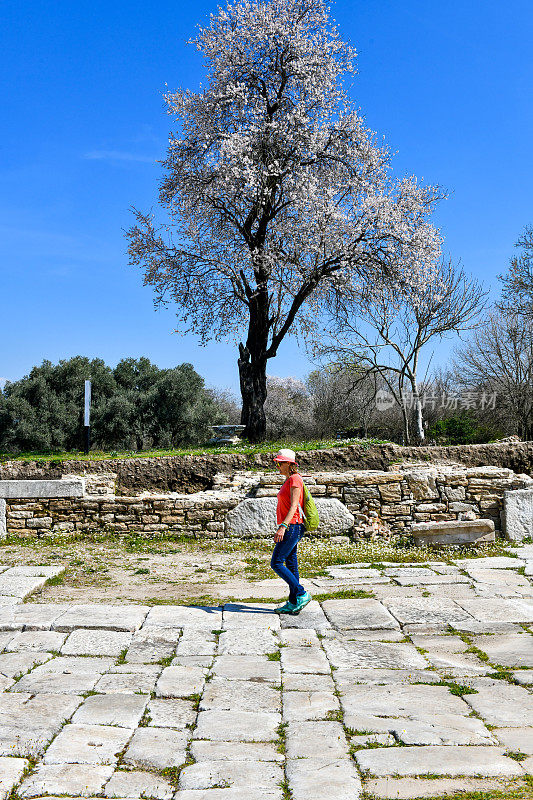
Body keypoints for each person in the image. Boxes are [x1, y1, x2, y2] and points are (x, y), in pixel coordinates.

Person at [270, 448, 312, 615]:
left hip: (292, 526)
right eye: (277, 463)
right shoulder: (289, 479)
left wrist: (283, 526)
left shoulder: (295, 479)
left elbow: (294, 506)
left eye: (280, 463)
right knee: (291, 565)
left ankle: (301, 593)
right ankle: (293, 602)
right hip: (291, 526)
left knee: (277, 563)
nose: (278, 466)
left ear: (289, 464)